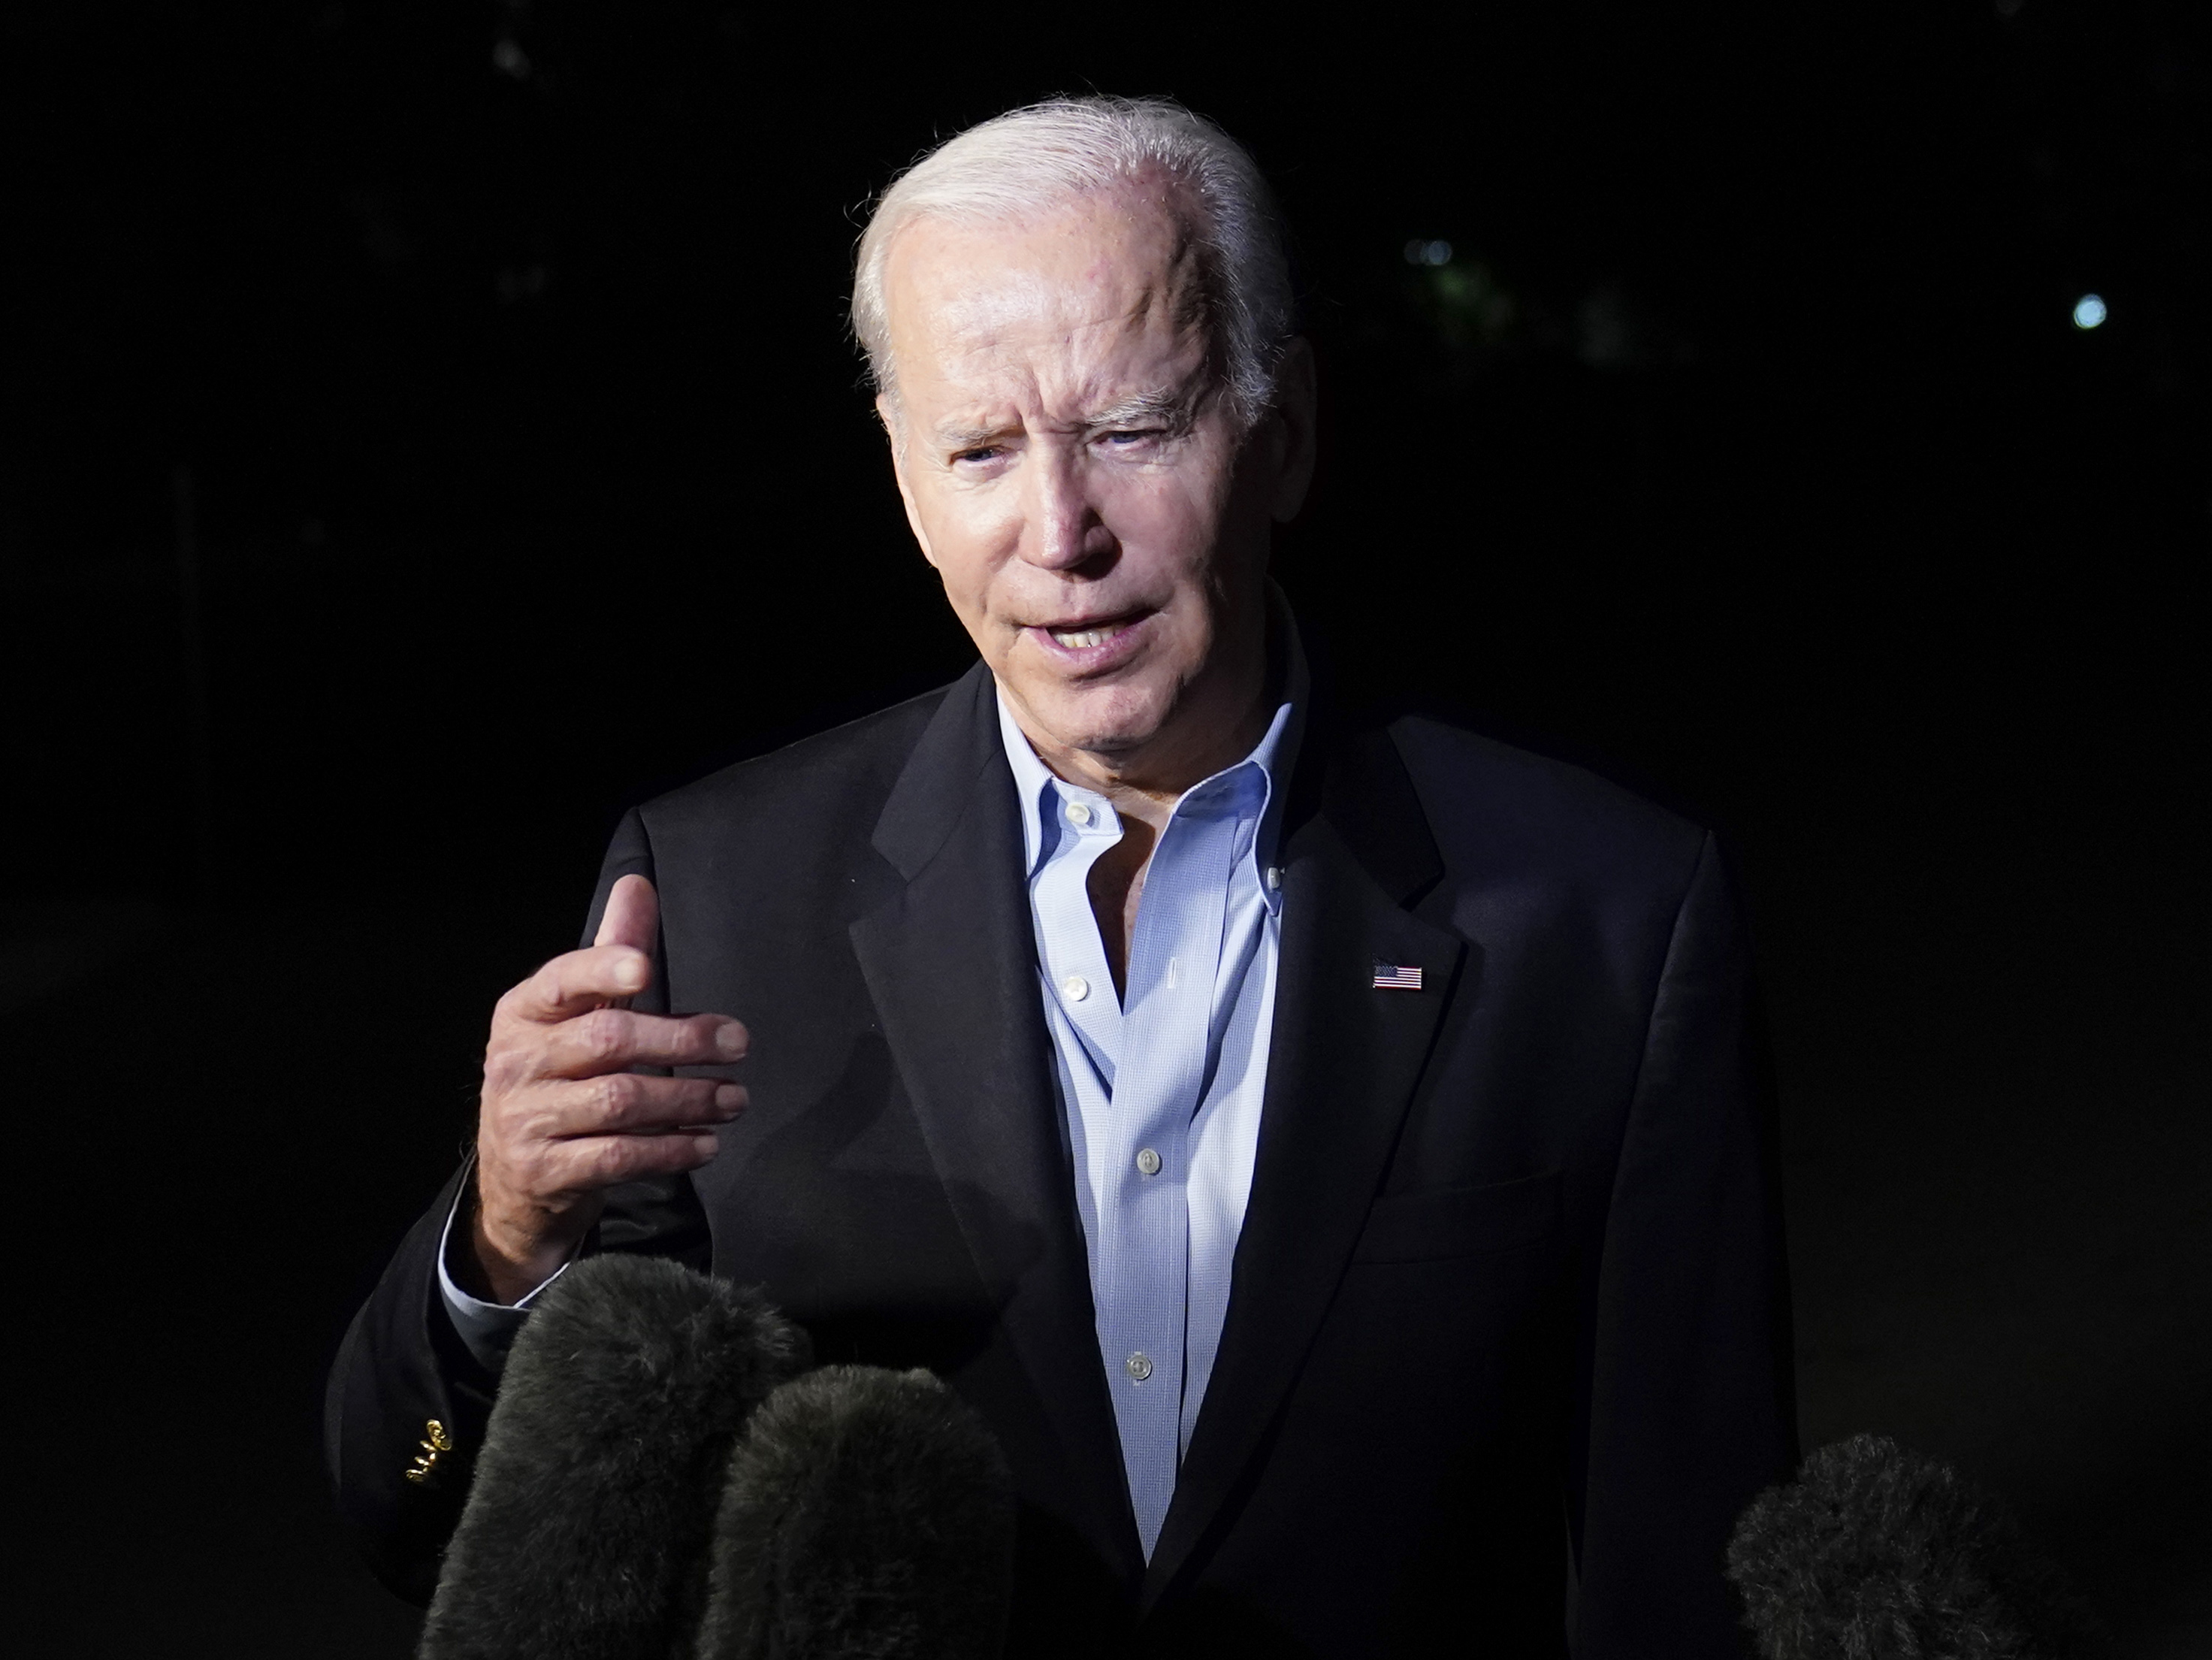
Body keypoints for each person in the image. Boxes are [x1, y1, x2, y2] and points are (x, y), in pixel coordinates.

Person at [328, 95, 1793, 1655]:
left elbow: (1690, 1571)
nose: (1058, 531)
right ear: (904, 482)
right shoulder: (710, 896)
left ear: (1283, 429)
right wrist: (505, 1245)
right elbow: (415, 1514)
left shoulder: (1606, 915)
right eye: (980, 450)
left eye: (1131, 431)